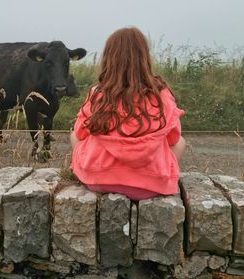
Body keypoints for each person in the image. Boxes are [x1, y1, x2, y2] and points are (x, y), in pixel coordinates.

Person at [70, 27, 186, 201]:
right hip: (149, 186)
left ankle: (89, 168)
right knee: (181, 142)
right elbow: (173, 139)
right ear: (144, 58)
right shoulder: (161, 94)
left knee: (74, 135)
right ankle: (156, 174)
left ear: (108, 58)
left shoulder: (97, 93)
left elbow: (80, 133)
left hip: (98, 179)